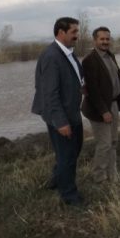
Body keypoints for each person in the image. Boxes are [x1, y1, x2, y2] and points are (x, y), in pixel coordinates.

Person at [31, 17, 84, 206]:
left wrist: (82, 87)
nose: (77, 35)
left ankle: (57, 179)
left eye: (77, 31)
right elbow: (50, 93)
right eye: (74, 32)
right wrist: (61, 122)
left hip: (72, 112)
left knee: (72, 151)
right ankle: (69, 196)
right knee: (67, 156)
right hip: (61, 116)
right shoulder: (51, 56)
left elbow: (74, 78)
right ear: (61, 32)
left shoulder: (67, 53)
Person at [81, 26, 120, 183]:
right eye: (102, 39)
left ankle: (112, 175)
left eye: (107, 39)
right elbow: (92, 90)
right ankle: (99, 177)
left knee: (113, 142)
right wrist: (104, 111)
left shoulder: (110, 55)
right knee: (104, 144)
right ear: (94, 40)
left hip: (113, 104)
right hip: (99, 109)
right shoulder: (89, 60)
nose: (105, 42)